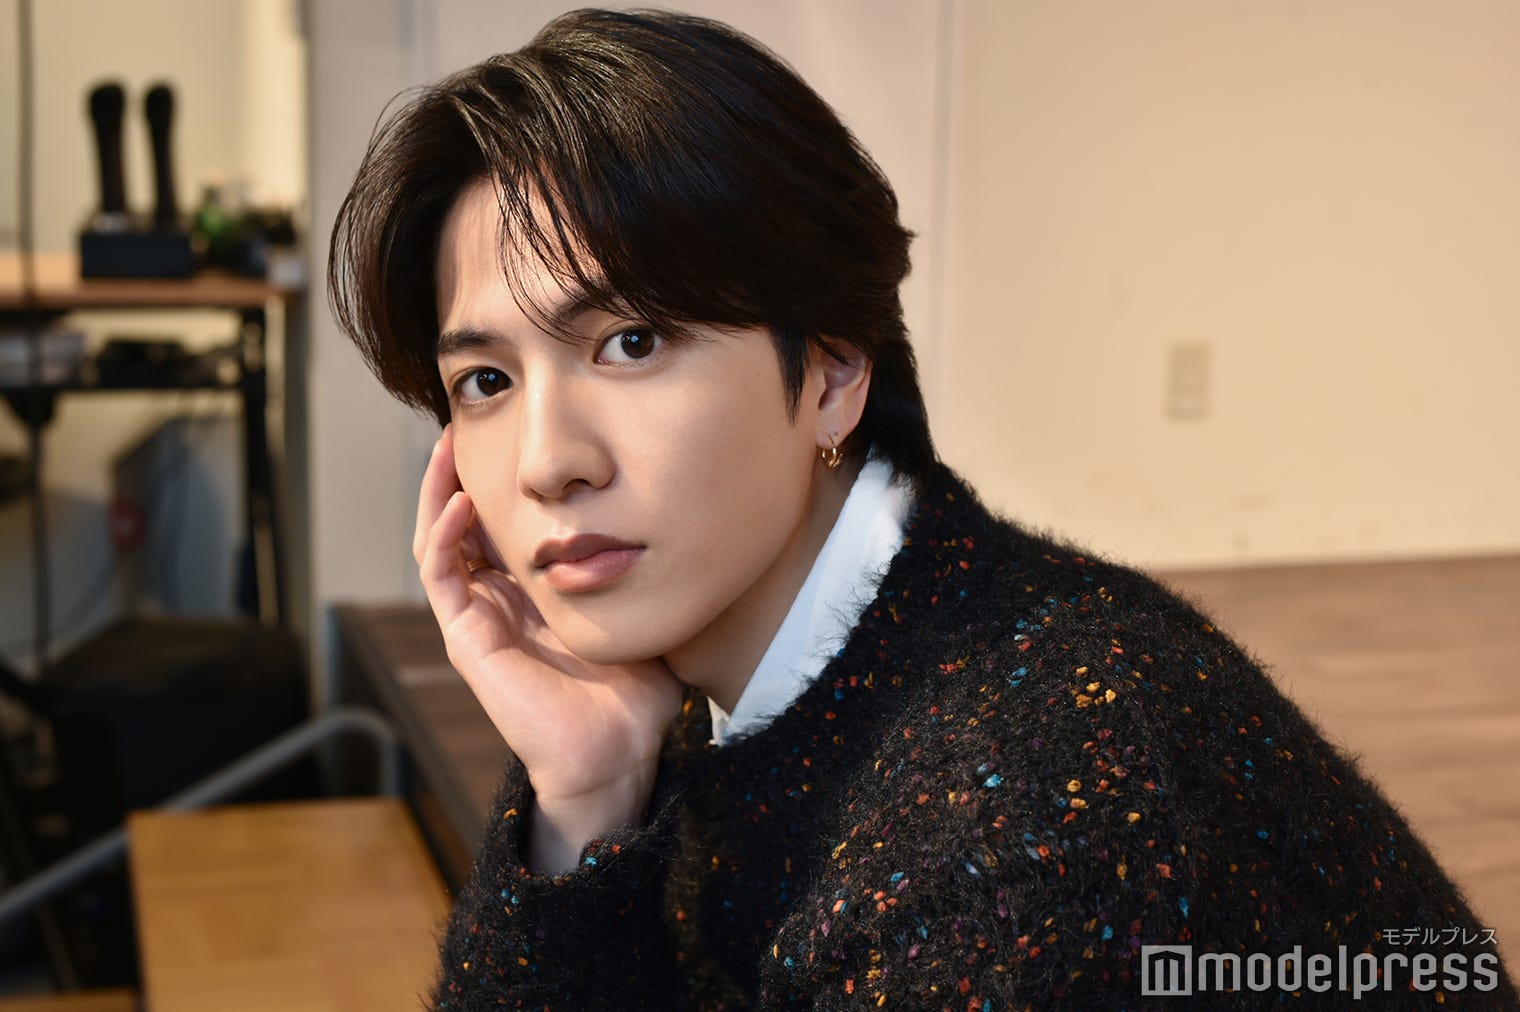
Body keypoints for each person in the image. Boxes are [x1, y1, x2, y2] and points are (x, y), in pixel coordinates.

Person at [328, 9, 1515, 1009]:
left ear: (833, 369)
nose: (546, 461)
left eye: (630, 341)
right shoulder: (740, 670)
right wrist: (585, 794)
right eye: (484, 381)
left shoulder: (1032, 822)